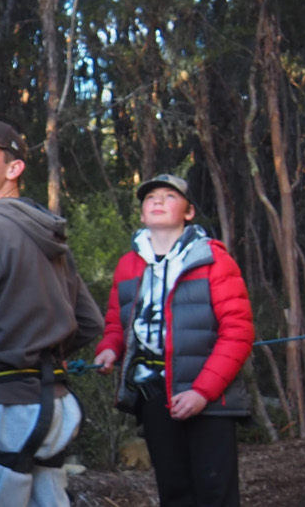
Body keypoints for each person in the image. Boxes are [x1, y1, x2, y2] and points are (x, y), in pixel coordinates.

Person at [0, 119, 103, 507]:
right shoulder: (48, 234)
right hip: (59, 406)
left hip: (9, 404)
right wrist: (45, 351)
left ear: (14, 169)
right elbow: (90, 322)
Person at [91, 174, 254, 507]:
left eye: (169, 196)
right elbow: (117, 322)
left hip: (210, 400)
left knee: (215, 494)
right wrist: (109, 348)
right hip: (153, 395)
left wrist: (201, 392)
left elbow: (238, 332)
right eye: (150, 197)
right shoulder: (128, 265)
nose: (158, 201)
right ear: (141, 214)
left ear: (189, 212)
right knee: (174, 492)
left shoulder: (213, 260)